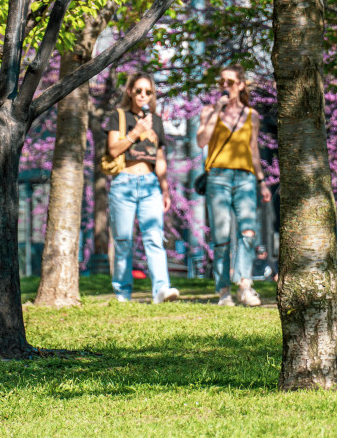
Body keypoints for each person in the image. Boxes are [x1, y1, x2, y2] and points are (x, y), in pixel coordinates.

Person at [197, 64, 272, 306]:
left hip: (245, 178)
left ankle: (245, 284)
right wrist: (215, 113)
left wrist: (262, 182)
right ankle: (223, 291)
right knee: (221, 237)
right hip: (217, 176)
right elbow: (201, 141)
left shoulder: (252, 116)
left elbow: (253, 151)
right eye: (221, 82)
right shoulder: (209, 111)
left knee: (248, 231)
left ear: (240, 85)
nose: (225, 86)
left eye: (230, 82)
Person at [106, 72, 179, 304]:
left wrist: (165, 189)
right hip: (124, 182)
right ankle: (122, 293)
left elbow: (160, 158)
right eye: (138, 91)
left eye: (148, 91)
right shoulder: (119, 116)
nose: (143, 95)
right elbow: (113, 150)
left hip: (150, 185)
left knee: (154, 237)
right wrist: (135, 132)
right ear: (130, 92)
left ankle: (161, 289)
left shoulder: (156, 121)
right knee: (124, 240)